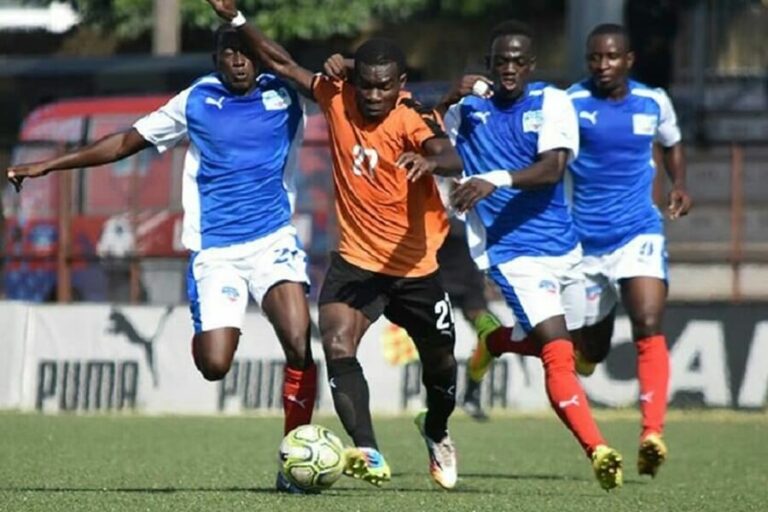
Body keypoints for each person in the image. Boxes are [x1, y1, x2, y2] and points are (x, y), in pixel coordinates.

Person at [6, 24, 318, 494]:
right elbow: (125, 141)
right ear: (215, 59)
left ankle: (295, 456)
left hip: (274, 241)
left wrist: (242, 26)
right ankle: (205, 323)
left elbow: (328, 79)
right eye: (228, 54)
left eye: (246, 53)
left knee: (298, 340)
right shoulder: (195, 100)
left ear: (262, 56)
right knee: (215, 364)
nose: (238, 61)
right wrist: (49, 164)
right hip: (216, 252)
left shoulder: (287, 92)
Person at [205, 0, 464, 490]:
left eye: (383, 86)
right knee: (339, 343)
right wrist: (236, 20)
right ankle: (367, 449)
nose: (372, 94)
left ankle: (435, 429)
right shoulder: (335, 95)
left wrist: (432, 165)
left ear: (400, 85)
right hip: (356, 265)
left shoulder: (411, 116)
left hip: (415, 269)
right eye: (365, 83)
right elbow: (281, 63)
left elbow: (447, 152)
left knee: (442, 368)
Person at [441, 20, 624, 490]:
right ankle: (598, 450)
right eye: (500, 61)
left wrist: (493, 180)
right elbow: (432, 141)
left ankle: (494, 343)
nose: (508, 70)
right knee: (559, 355)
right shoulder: (469, 112)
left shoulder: (552, 102)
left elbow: (552, 169)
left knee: (587, 352)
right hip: (512, 254)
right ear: (488, 65)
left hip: (565, 250)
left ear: (530, 66)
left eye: (517, 62)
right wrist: (445, 98)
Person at [566, 23, 692, 478]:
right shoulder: (571, 103)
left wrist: (678, 185)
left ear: (629, 60)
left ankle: (651, 433)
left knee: (648, 322)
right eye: (594, 58)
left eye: (611, 57)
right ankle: (501, 341)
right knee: (591, 354)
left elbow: (672, 144)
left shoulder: (653, 101)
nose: (602, 66)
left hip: (638, 233)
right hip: (585, 245)